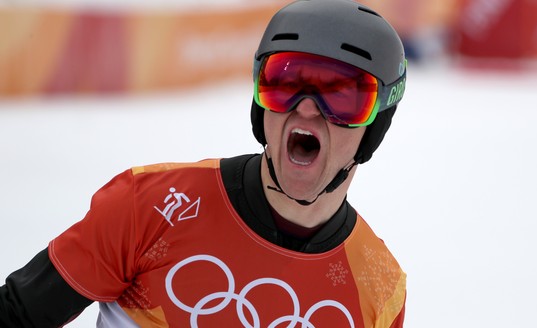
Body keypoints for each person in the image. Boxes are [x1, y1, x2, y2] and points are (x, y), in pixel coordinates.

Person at [0, 0, 407, 326]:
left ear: (375, 128)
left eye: (341, 97)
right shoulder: (150, 206)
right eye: (283, 83)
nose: (306, 111)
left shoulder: (378, 290)